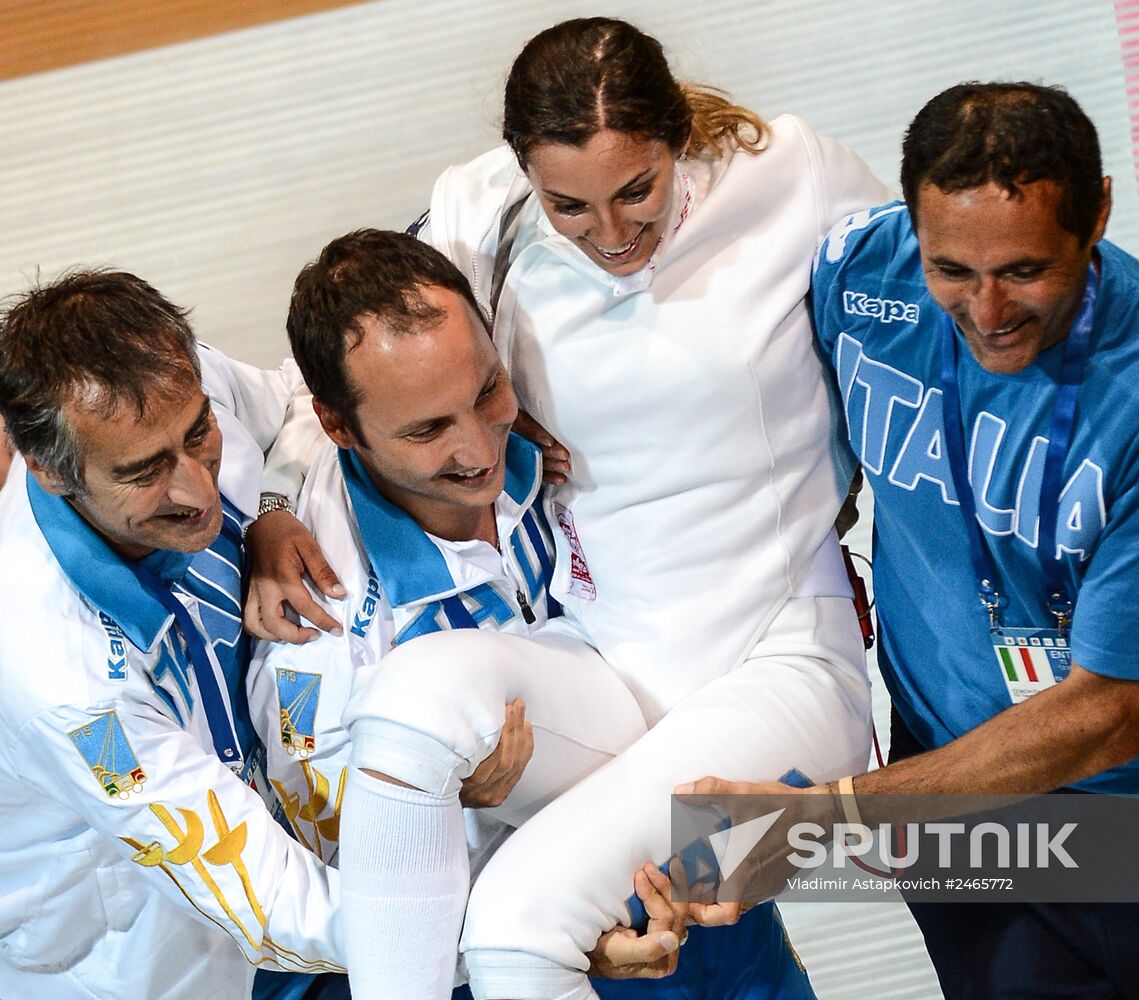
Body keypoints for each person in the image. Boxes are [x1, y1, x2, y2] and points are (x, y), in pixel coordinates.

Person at [245, 17, 889, 999]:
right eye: (571, 206)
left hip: (778, 662)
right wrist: (276, 507)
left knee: (518, 928)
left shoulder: (795, 176)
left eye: (638, 189)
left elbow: (954, 313)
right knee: (408, 708)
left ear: (678, 140)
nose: (614, 234)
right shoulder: (484, 210)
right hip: (605, 659)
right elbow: (336, 363)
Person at [688, 82, 1139, 998]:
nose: (986, 312)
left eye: (1025, 270)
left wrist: (802, 831)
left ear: (1097, 212)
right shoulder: (857, 276)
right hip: (956, 797)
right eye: (951, 269)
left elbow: (1105, 717)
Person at [252, 227, 816, 997]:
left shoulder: (566, 411)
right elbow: (366, 908)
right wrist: (558, 925)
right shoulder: (313, 629)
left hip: (719, 909)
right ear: (340, 426)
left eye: (484, 392)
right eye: (427, 429)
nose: (480, 446)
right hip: (544, 952)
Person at [0, 271, 348, 999]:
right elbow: (262, 895)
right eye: (146, 471)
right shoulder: (62, 677)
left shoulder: (162, 380)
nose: (199, 492)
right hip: (168, 962)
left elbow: (297, 404)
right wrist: (526, 938)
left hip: (314, 884)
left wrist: (274, 509)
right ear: (50, 471)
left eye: (199, 435)